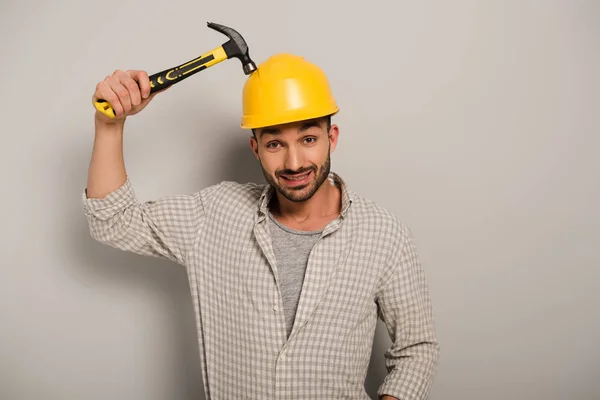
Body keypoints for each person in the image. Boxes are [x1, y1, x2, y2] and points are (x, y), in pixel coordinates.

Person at [82, 53, 440, 399]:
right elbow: (114, 221)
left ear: (331, 139)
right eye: (274, 143)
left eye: (309, 139)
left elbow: (416, 347)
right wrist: (110, 124)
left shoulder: (384, 234)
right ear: (255, 148)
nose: (294, 161)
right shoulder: (215, 215)